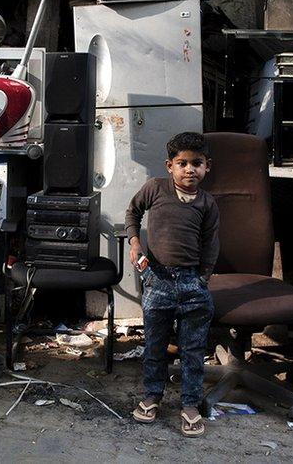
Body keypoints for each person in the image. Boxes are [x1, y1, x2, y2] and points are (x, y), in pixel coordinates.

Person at [125, 131, 219, 437]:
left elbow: (211, 241)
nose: (190, 169)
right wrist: (135, 242)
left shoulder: (207, 203)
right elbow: (132, 211)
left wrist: (204, 276)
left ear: (207, 167)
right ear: (170, 166)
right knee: (154, 346)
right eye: (183, 163)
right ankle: (152, 396)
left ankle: (190, 404)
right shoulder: (155, 188)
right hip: (158, 280)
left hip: (193, 283)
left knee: (193, 349)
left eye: (197, 163)